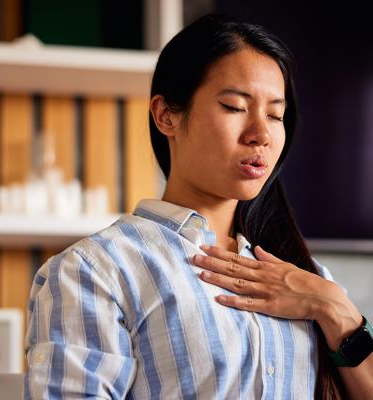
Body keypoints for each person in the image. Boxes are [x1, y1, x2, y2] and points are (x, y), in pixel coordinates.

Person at [24, 13, 373, 399]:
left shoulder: (307, 276)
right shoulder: (95, 272)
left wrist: (336, 309)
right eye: (234, 107)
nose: (261, 134)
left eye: (276, 114)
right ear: (166, 115)